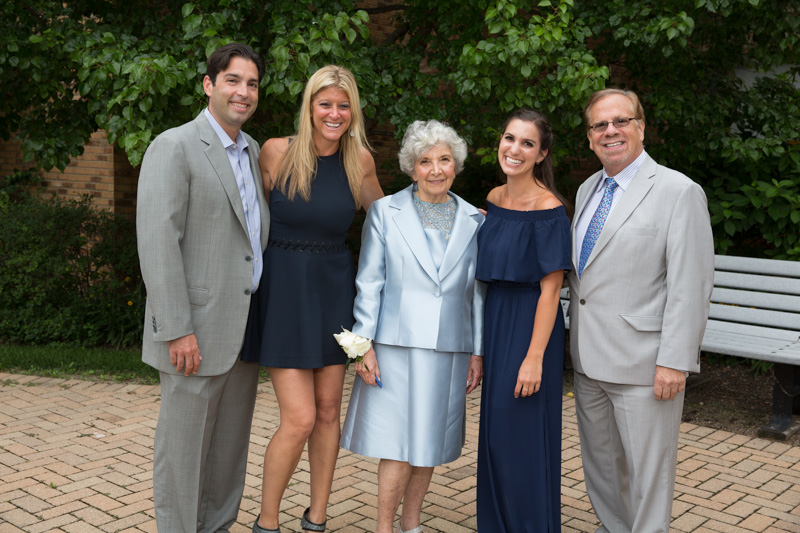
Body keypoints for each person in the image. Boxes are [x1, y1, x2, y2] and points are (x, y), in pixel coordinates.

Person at [242, 65, 383, 533]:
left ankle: (317, 516)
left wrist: (455, 217)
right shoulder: (275, 152)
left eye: (344, 105)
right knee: (300, 418)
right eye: (325, 104)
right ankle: (267, 521)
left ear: (353, 111)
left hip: (336, 297)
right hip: (284, 297)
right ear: (309, 106)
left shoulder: (359, 160)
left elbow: (389, 221)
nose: (334, 114)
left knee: (327, 413)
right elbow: (247, 219)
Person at [569, 88, 714, 533]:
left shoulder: (678, 191)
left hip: (645, 365)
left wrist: (675, 361)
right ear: (590, 137)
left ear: (641, 127)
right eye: (599, 125)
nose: (610, 131)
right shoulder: (587, 188)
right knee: (602, 468)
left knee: (650, 479)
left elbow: (690, 285)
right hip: (587, 361)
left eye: (621, 121)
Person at [136, 43, 268, 532]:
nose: (243, 92)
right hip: (192, 333)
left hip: (242, 331)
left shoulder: (252, 151)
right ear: (209, 85)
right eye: (233, 80)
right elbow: (157, 243)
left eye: (252, 83)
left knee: (228, 455)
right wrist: (176, 328)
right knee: (183, 453)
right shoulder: (173, 146)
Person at [339, 119, 485, 533]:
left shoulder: (475, 219)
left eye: (445, 160)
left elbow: (478, 293)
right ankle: (384, 528)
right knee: (398, 443)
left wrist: (478, 351)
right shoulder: (385, 212)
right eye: (425, 161)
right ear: (411, 168)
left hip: (450, 348)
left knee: (430, 442)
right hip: (394, 347)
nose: (436, 169)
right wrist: (361, 346)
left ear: (456, 165)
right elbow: (369, 282)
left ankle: (412, 525)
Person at [475, 109, 571, 532]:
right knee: (496, 434)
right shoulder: (494, 199)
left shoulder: (550, 210)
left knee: (521, 433)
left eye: (527, 143)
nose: (514, 149)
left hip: (532, 324)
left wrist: (534, 359)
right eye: (510, 138)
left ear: (541, 154)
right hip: (496, 318)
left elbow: (552, 290)